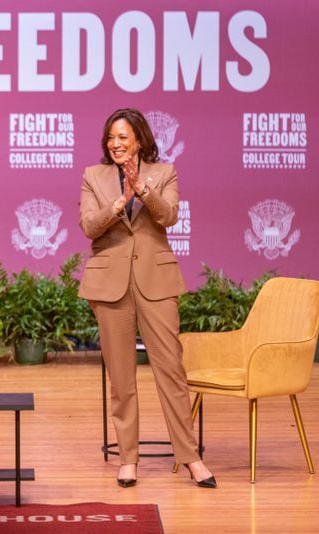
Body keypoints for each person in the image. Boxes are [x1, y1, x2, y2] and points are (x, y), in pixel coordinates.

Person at [78, 108, 216, 488]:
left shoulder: (164, 172)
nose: (116, 144)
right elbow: (89, 226)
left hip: (156, 280)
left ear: (139, 138)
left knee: (171, 371)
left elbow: (169, 216)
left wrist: (141, 188)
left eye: (123, 137)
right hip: (110, 285)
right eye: (111, 138)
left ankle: (190, 458)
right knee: (121, 377)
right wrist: (119, 201)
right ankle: (128, 459)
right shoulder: (94, 176)